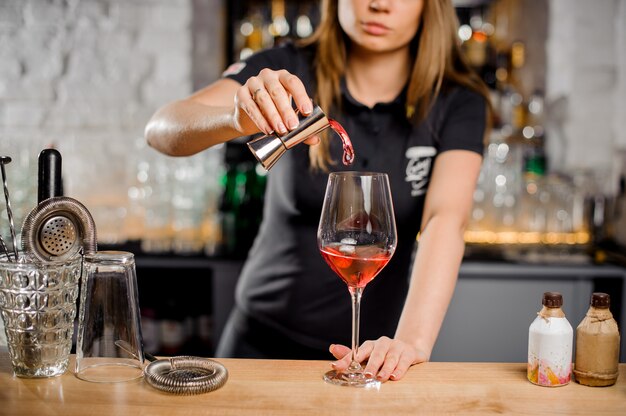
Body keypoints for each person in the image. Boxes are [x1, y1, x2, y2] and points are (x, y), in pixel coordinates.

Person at [145, 0, 490, 382]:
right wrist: (234, 118)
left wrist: (409, 344)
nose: (379, 5)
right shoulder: (287, 68)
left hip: (372, 353)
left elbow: (446, 220)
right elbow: (163, 130)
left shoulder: (457, 100)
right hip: (262, 344)